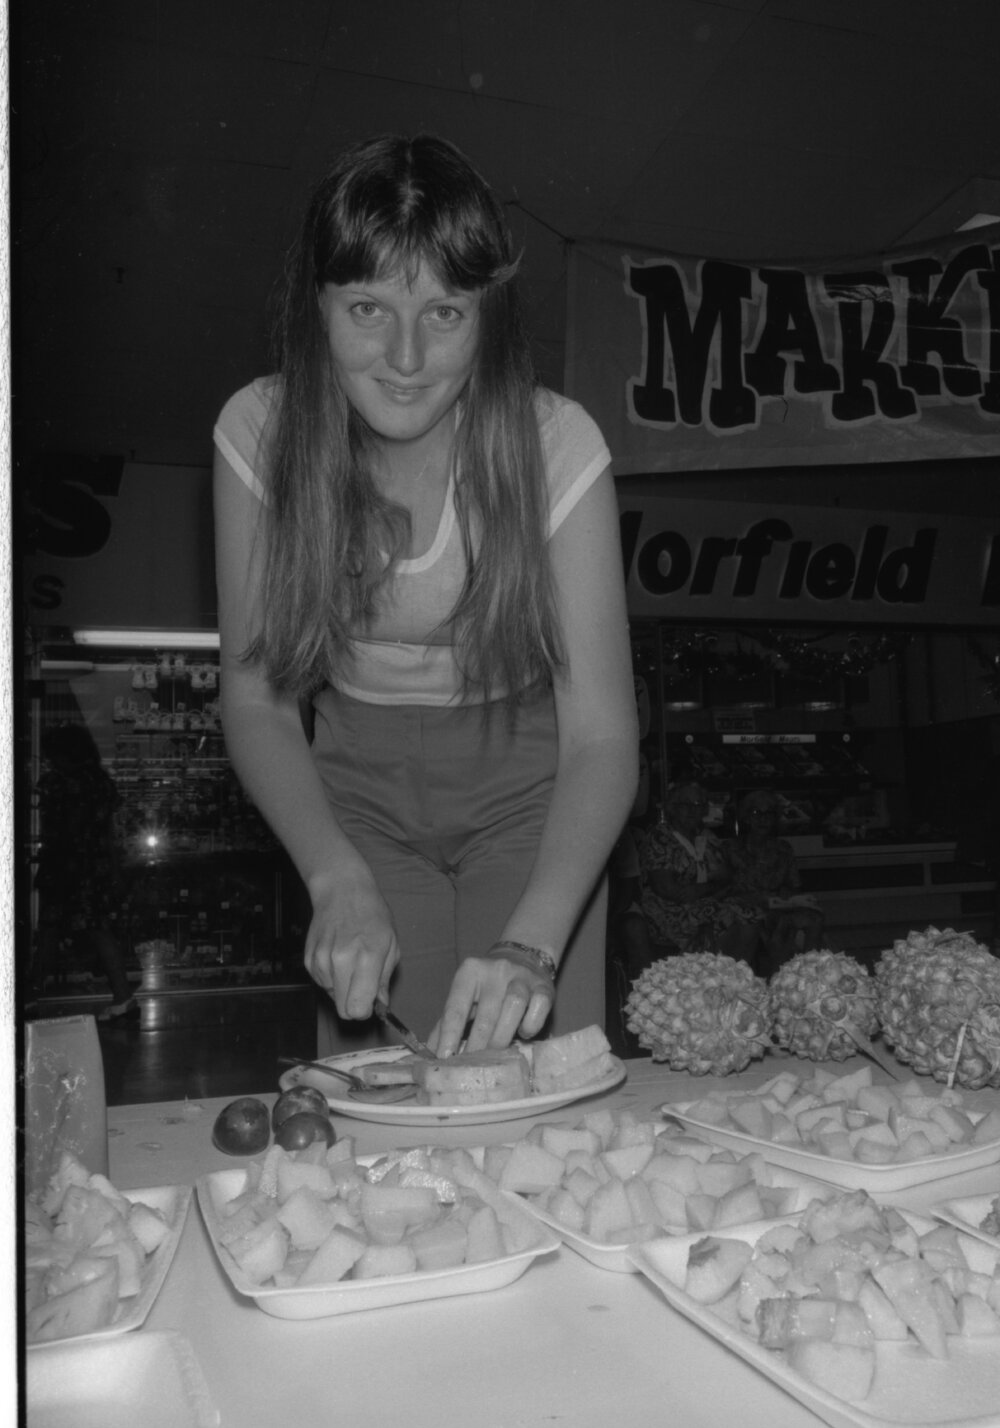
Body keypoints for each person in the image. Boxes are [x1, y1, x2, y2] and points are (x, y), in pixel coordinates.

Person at [213, 133, 638, 1058]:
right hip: (352, 784)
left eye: (445, 312)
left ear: (488, 314)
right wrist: (334, 876)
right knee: (380, 1088)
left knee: (537, 1086)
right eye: (368, 306)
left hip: (530, 778)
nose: (404, 357)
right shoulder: (258, 432)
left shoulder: (557, 445)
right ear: (316, 306)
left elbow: (603, 735)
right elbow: (257, 699)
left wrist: (531, 944)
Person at [30, 724, 138, 1021]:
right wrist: (114, 869)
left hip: (64, 866)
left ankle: (30, 995)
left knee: (50, 930)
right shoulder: (99, 783)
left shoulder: (56, 783)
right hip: (93, 867)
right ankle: (123, 996)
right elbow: (108, 833)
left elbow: (54, 830)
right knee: (99, 929)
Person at [630, 781, 760, 973]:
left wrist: (705, 889)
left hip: (707, 902)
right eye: (686, 805)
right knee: (725, 921)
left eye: (699, 805)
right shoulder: (660, 838)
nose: (693, 810)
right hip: (668, 909)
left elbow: (727, 877)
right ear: (672, 808)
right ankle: (711, 982)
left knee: (750, 916)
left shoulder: (707, 837)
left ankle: (737, 981)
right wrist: (712, 887)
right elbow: (670, 891)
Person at [722, 789, 823, 977]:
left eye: (768, 814)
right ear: (745, 818)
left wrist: (788, 897)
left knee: (812, 917)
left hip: (777, 905)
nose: (763, 819)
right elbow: (725, 888)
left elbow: (794, 886)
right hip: (743, 908)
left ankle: (808, 977)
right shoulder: (730, 848)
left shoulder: (783, 848)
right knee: (771, 927)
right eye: (756, 813)